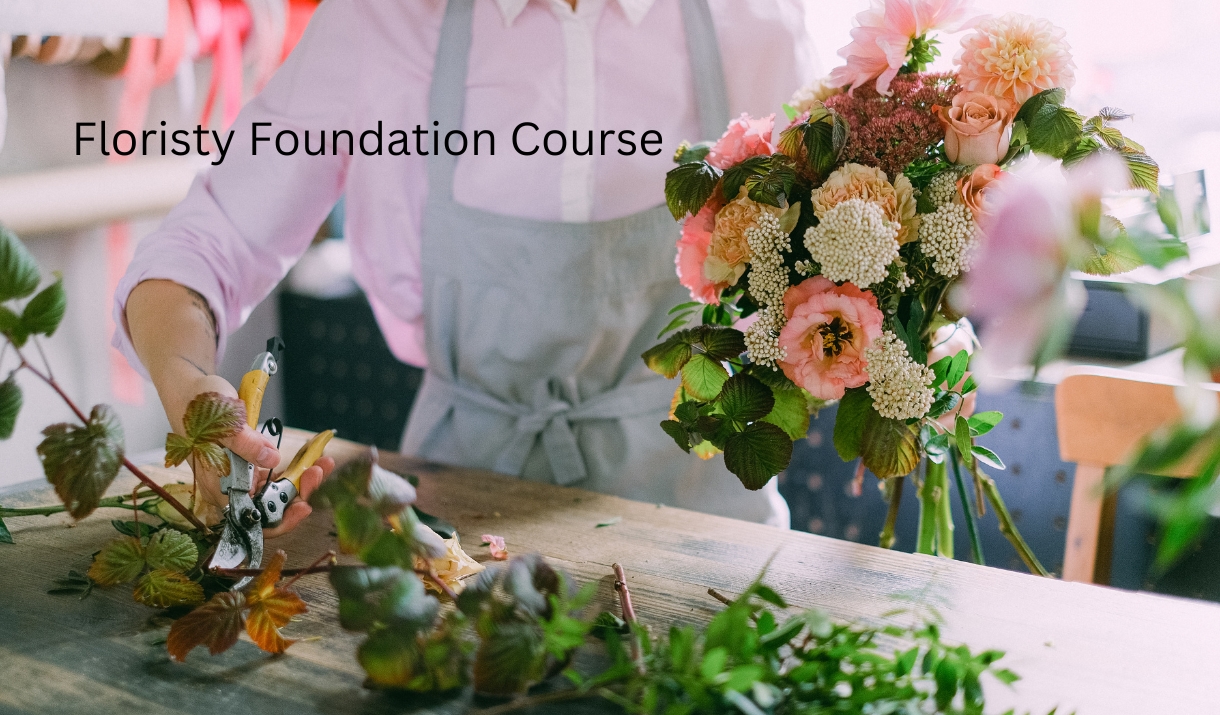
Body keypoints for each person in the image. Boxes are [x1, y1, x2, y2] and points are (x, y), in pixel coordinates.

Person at [117, 0, 812, 537]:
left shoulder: (758, 22)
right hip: (455, 534)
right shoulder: (380, 25)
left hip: (710, 536)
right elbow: (206, 244)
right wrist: (189, 384)